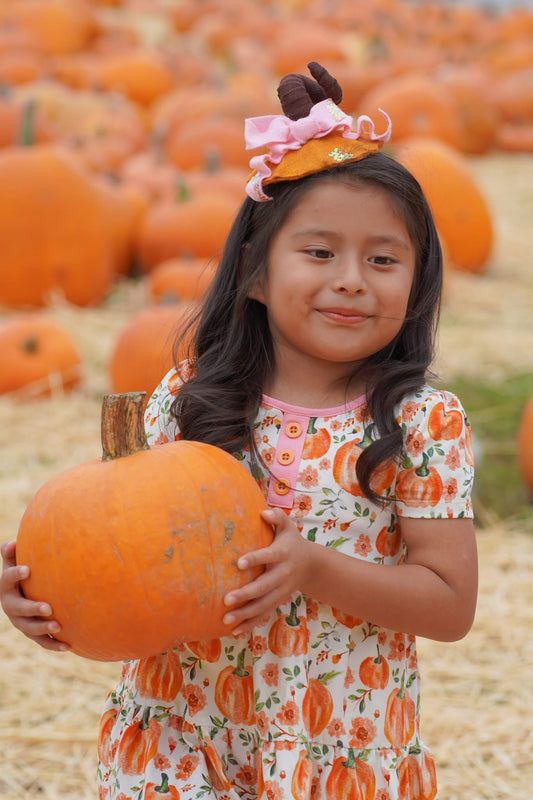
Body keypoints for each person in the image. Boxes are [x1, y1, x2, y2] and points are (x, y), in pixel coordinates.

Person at [1, 63, 477, 800]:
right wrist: (47, 596)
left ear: (417, 285)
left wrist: (313, 568)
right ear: (254, 274)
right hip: (178, 737)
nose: (352, 278)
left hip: (332, 746)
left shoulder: (418, 423)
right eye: (318, 253)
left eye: (382, 260)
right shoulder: (192, 400)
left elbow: (449, 604)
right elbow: (116, 544)